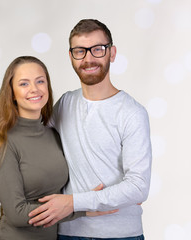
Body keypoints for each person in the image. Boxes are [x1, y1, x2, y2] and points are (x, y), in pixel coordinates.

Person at [28, 19, 152, 240]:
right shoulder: (65, 103)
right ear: (71, 57)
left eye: (97, 49)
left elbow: (138, 188)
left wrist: (72, 202)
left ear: (112, 53)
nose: (88, 59)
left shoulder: (132, 113)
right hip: (67, 233)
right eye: (80, 51)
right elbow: (32, 146)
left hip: (120, 236)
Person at [0, 56, 116, 240]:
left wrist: (115, 193)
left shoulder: (53, 134)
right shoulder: (2, 141)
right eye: (24, 84)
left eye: (40, 81)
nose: (34, 89)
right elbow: (17, 213)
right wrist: (81, 208)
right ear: (11, 92)